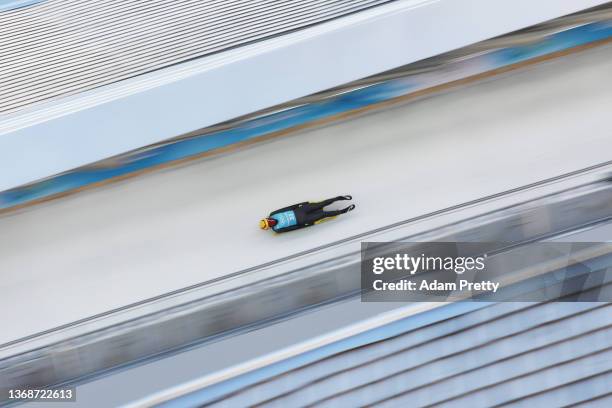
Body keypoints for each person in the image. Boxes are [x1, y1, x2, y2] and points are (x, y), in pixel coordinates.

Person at [260, 195, 355, 233]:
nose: (271, 222)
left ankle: (339, 198)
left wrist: (302, 204)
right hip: (303, 220)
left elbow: (287, 208)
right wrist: (307, 225)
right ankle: (343, 211)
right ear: (269, 227)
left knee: (321, 203)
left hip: (300, 210)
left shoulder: (273, 214)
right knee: (323, 215)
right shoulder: (277, 229)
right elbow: (292, 228)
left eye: (269, 221)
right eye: (270, 224)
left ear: (268, 218)